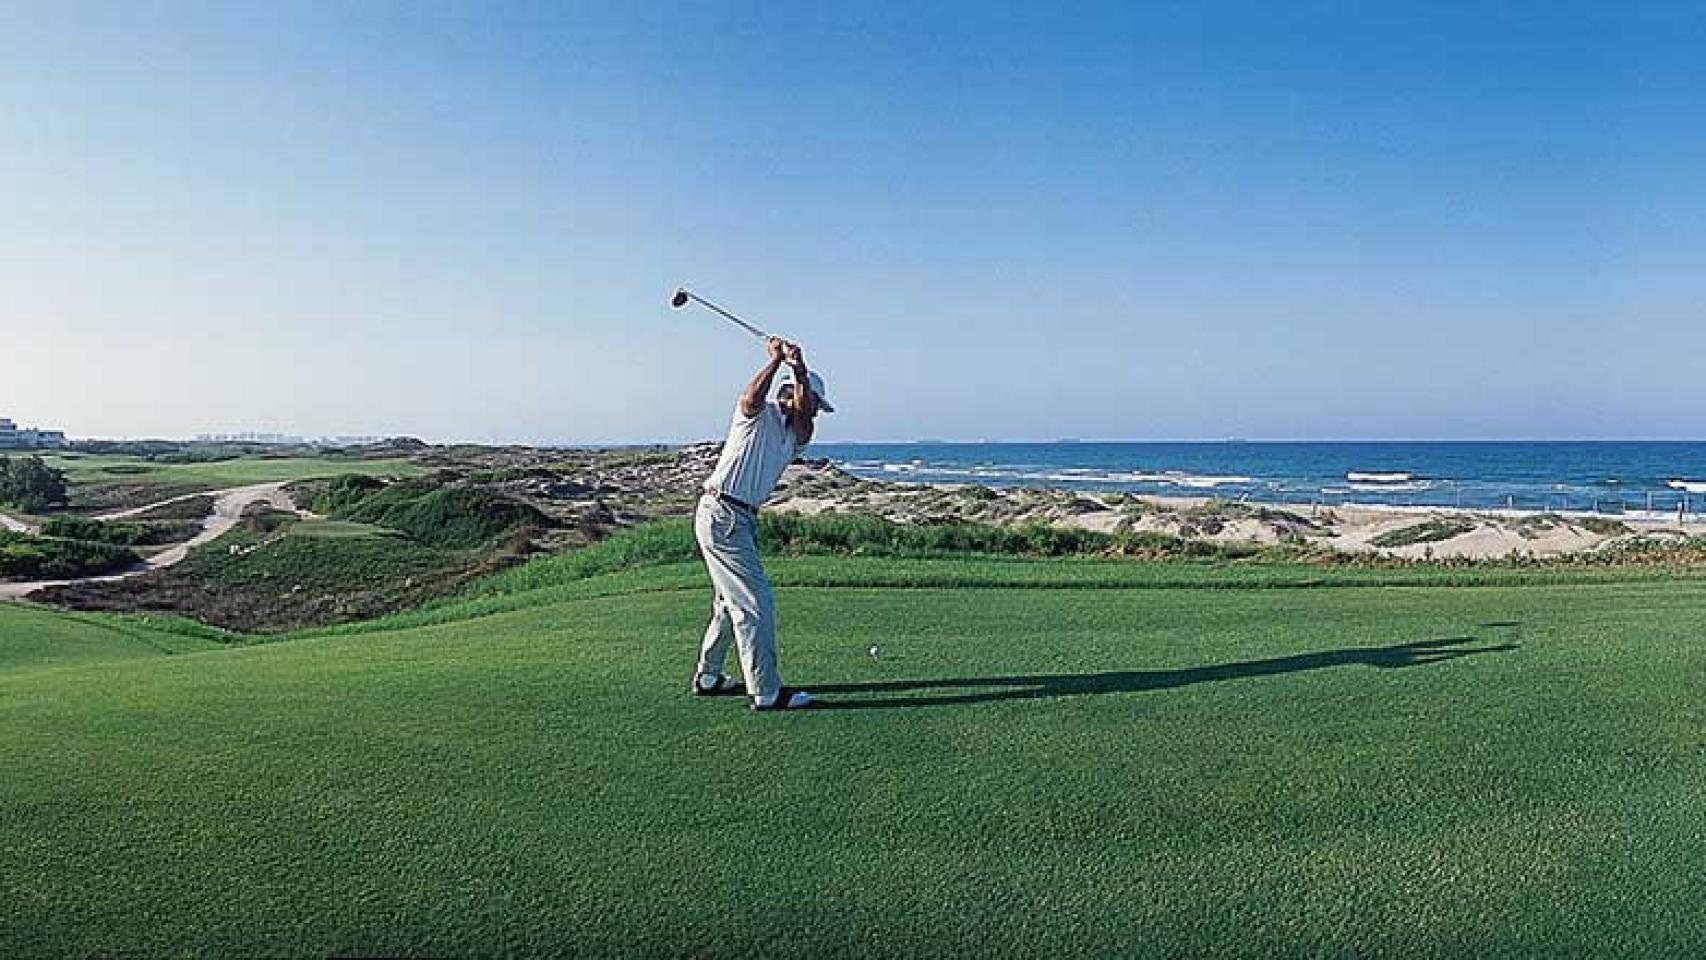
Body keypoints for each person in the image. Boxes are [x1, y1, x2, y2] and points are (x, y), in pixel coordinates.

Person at [690, 335, 834, 711]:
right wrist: (774, 362)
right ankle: (766, 691)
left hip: (738, 519)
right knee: (754, 605)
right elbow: (750, 397)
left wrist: (799, 368)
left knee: (728, 602)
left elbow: (803, 419)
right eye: (815, 403)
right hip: (722, 513)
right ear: (791, 394)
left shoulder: (798, 435)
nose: (815, 412)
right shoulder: (757, 416)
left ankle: (708, 675)